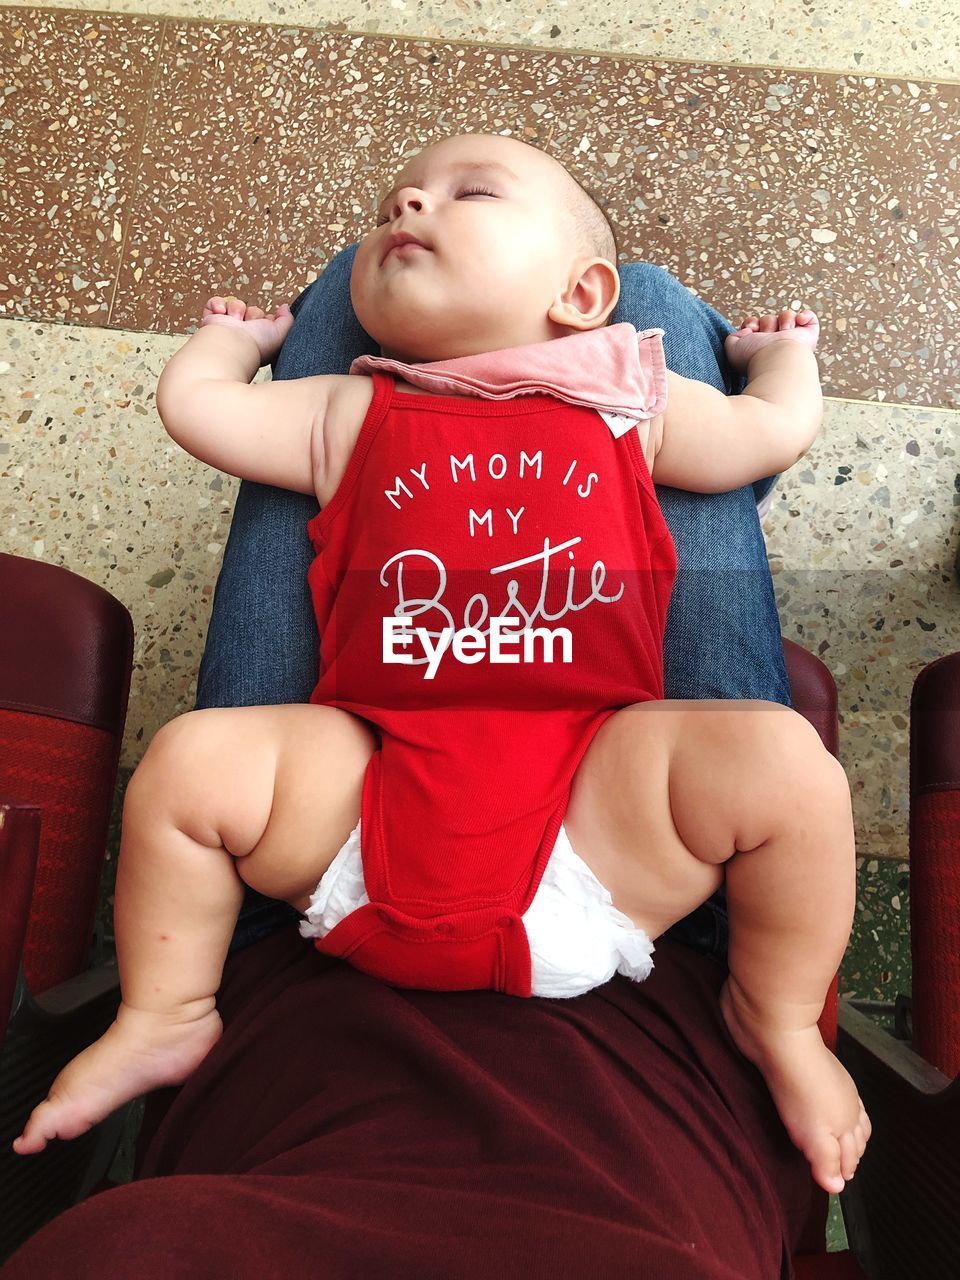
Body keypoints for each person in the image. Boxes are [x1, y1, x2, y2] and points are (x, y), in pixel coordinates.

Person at [12, 131, 869, 1198]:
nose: (407, 203)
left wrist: (782, 365)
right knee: (191, 766)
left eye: (467, 192)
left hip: (587, 797)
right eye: (392, 204)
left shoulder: (628, 399)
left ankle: (778, 1016)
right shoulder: (353, 403)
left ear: (585, 292)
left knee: (784, 766)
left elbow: (758, 436)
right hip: (378, 795)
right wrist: (233, 348)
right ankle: (167, 1008)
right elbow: (201, 413)